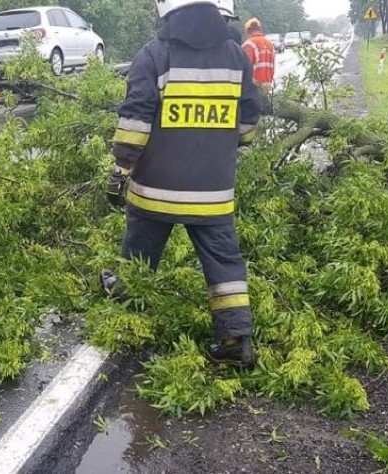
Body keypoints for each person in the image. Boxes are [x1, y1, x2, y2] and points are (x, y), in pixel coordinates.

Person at [100, 0, 262, 368]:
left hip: (155, 190)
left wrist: (121, 169)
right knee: (225, 265)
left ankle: (126, 302)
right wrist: (230, 143)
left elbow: (136, 119)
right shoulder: (237, 58)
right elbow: (249, 115)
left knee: (139, 252)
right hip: (213, 195)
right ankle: (235, 341)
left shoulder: (154, 55)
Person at [242, 17, 276, 93]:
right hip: (268, 86)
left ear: (247, 31)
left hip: (254, 88)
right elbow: (272, 67)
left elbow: (245, 69)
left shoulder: (249, 44)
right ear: (259, 29)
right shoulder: (270, 44)